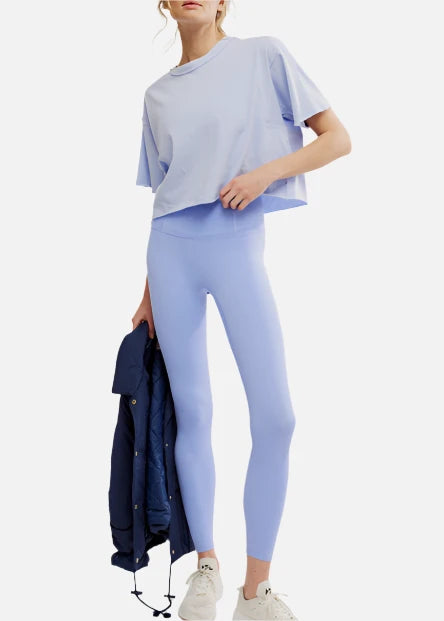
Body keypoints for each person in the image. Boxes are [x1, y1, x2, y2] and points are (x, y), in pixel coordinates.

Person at [132, 2, 351, 619]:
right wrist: (147, 294)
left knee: (277, 417)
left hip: (236, 242)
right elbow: (165, 193)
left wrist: (262, 176)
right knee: (193, 413)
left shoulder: (263, 55)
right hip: (170, 253)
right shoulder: (156, 96)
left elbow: (337, 138)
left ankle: (256, 591)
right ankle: (206, 567)